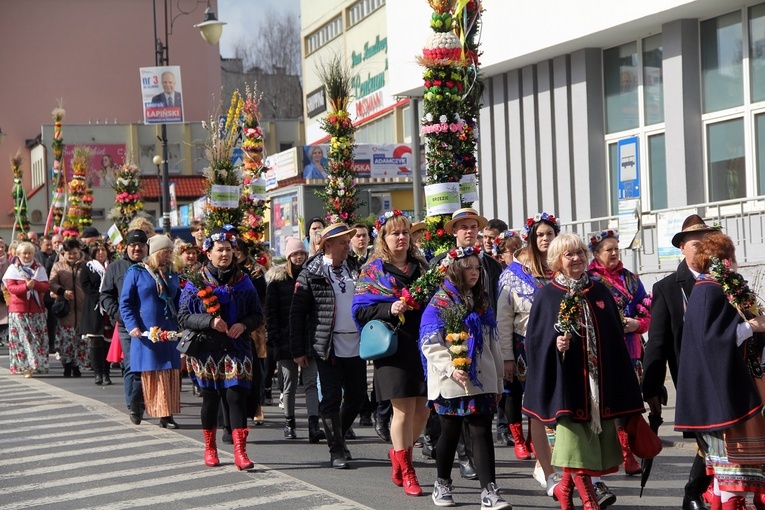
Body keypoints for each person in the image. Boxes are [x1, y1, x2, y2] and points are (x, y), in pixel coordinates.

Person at [522, 234, 645, 510]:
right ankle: (589, 500)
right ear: (557, 260)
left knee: (586, 450)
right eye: (569, 254)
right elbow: (537, 342)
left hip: (597, 388)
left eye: (579, 252)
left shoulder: (599, 291)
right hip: (567, 386)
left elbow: (613, 337)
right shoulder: (548, 295)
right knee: (575, 447)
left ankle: (565, 490)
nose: (576, 258)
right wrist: (557, 344)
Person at [674, 231, 765, 510]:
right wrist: (751, 327)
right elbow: (711, 340)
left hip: (735, 385)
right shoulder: (708, 289)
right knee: (730, 473)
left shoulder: (720, 287)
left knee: (733, 473)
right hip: (722, 394)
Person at [420, 246, 510, 509]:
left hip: (481, 378)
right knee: (450, 431)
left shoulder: (481, 300)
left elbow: (492, 341)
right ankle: (442, 483)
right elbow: (429, 343)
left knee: (481, 430)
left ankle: (489, 491)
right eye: (468, 267)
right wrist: (451, 367)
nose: (474, 271)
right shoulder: (440, 301)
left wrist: (498, 381)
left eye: (477, 267)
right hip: (451, 381)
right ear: (455, 269)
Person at [642, 214, 719, 510]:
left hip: (726, 373)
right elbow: (658, 342)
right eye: (696, 243)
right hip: (691, 378)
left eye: (707, 243)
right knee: (708, 439)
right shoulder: (668, 287)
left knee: (723, 437)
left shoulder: (726, 279)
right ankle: (693, 492)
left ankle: (707, 492)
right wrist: (651, 388)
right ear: (682, 247)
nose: (703, 249)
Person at [353, 211, 429, 496]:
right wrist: (389, 308)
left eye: (405, 233)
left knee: (422, 409)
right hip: (393, 346)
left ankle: (398, 455)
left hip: (421, 344)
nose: (401, 237)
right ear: (383, 239)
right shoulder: (373, 271)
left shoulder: (421, 267)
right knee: (403, 410)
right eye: (395, 233)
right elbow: (360, 310)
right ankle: (408, 470)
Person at [178, 227, 261, 470]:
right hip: (207, 350)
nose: (225, 254)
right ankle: (210, 448)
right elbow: (183, 316)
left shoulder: (244, 281)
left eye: (228, 249)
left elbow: (257, 314)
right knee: (211, 399)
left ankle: (240, 452)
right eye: (220, 250)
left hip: (236, 347)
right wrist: (210, 321)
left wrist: (244, 325)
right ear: (209, 253)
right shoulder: (196, 282)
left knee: (236, 396)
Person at [289, 223, 365, 469]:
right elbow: (297, 313)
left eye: (348, 241)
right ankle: (336, 449)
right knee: (331, 397)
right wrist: (298, 350)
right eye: (343, 242)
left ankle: (339, 436)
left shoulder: (355, 268)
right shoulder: (311, 271)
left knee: (357, 396)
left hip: (356, 342)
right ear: (328, 245)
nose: (347, 246)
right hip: (327, 344)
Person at [496, 212, 559, 492]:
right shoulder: (514, 274)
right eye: (540, 235)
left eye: (550, 234)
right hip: (527, 347)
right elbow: (504, 319)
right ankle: (546, 463)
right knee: (539, 405)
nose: (546, 239)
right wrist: (507, 357)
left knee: (559, 404)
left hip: (561, 344)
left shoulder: (562, 268)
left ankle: (551, 461)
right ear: (531, 238)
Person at [586, 229, 650, 476]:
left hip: (631, 348)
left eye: (616, 249)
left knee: (629, 400)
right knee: (606, 400)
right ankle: (617, 452)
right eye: (607, 249)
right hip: (602, 349)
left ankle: (629, 451)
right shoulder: (589, 279)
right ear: (596, 253)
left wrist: (638, 324)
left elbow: (645, 308)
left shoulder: (631, 279)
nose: (613, 253)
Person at [119, 235, 181, 429]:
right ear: (155, 252)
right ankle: (136, 406)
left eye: (171, 252)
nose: (169, 256)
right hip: (146, 331)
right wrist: (132, 326)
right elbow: (126, 303)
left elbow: (178, 298)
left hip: (168, 329)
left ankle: (166, 415)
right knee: (144, 373)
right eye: (166, 252)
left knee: (168, 373)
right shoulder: (136, 272)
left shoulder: (172, 273)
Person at [266, 236, 323, 441]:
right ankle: (289, 422)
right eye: (295, 254)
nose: (299, 257)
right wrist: (274, 338)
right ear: (288, 256)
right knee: (288, 384)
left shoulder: (313, 276)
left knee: (310, 383)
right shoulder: (277, 282)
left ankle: (313, 424)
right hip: (285, 341)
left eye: (302, 253)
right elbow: (271, 314)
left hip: (310, 340)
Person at [100, 229, 149, 424]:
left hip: (151, 324)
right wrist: (119, 315)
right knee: (132, 364)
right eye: (133, 245)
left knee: (151, 366)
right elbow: (106, 295)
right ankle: (133, 405)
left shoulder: (152, 266)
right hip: (127, 325)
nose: (137, 248)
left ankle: (150, 402)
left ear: (147, 247)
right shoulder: (116, 267)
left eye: (141, 245)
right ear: (126, 247)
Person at [2, 241, 49, 376]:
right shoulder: (13, 269)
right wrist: (26, 287)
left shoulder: (39, 269)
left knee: (37, 338)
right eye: (24, 253)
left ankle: (37, 364)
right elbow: (11, 288)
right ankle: (26, 366)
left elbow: (45, 286)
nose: (27, 256)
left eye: (30, 253)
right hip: (19, 310)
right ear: (18, 254)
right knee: (23, 339)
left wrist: (35, 285)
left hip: (36, 310)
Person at [50, 239, 86, 377]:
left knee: (80, 340)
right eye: (69, 253)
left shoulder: (86, 265)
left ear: (79, 252)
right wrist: (62, 292)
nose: (72, 256)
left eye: (75, 253)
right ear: (64, 253)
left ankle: (77, 365)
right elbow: (52, 282)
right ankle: (67, 364)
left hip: (82, 308)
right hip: (65, 308)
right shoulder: (58, 266)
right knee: (66, 339)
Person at [80, 242, 114, 385]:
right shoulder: (88, 267)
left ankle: (107, 373)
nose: (101, 252)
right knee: (96, 341)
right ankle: (98, 373)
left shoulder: (112, 266)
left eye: (103, 250)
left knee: (108, 342)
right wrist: (99, 298)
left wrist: (110, 300)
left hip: (110, 307)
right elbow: (85, 285)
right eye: (98, 250)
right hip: (95, 307)